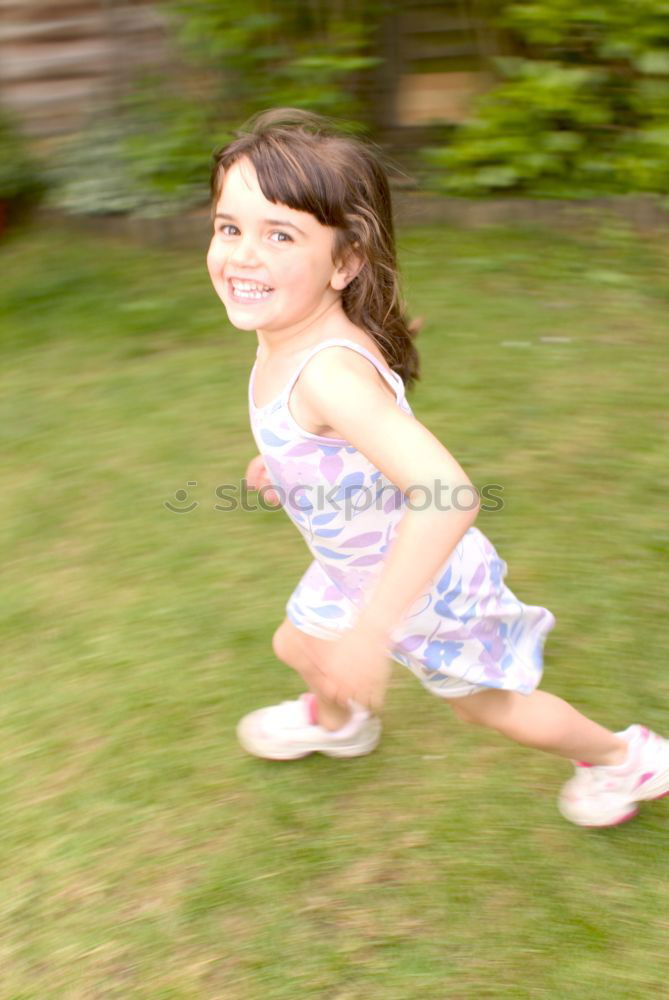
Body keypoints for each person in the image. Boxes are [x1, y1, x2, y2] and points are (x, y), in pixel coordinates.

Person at [206, 108, 669, 827]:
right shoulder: (292, 333)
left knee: (491, 708)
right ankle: (339, 724)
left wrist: (371, 632)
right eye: (229, 227)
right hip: (351, 567)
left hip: (420, 589)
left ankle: (624, 758)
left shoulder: (327, 372)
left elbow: (447, 495)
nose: (241, 255)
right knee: (297, 641)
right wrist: (284, 465)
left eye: (279, 235)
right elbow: (337, 440)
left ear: (345, 261)